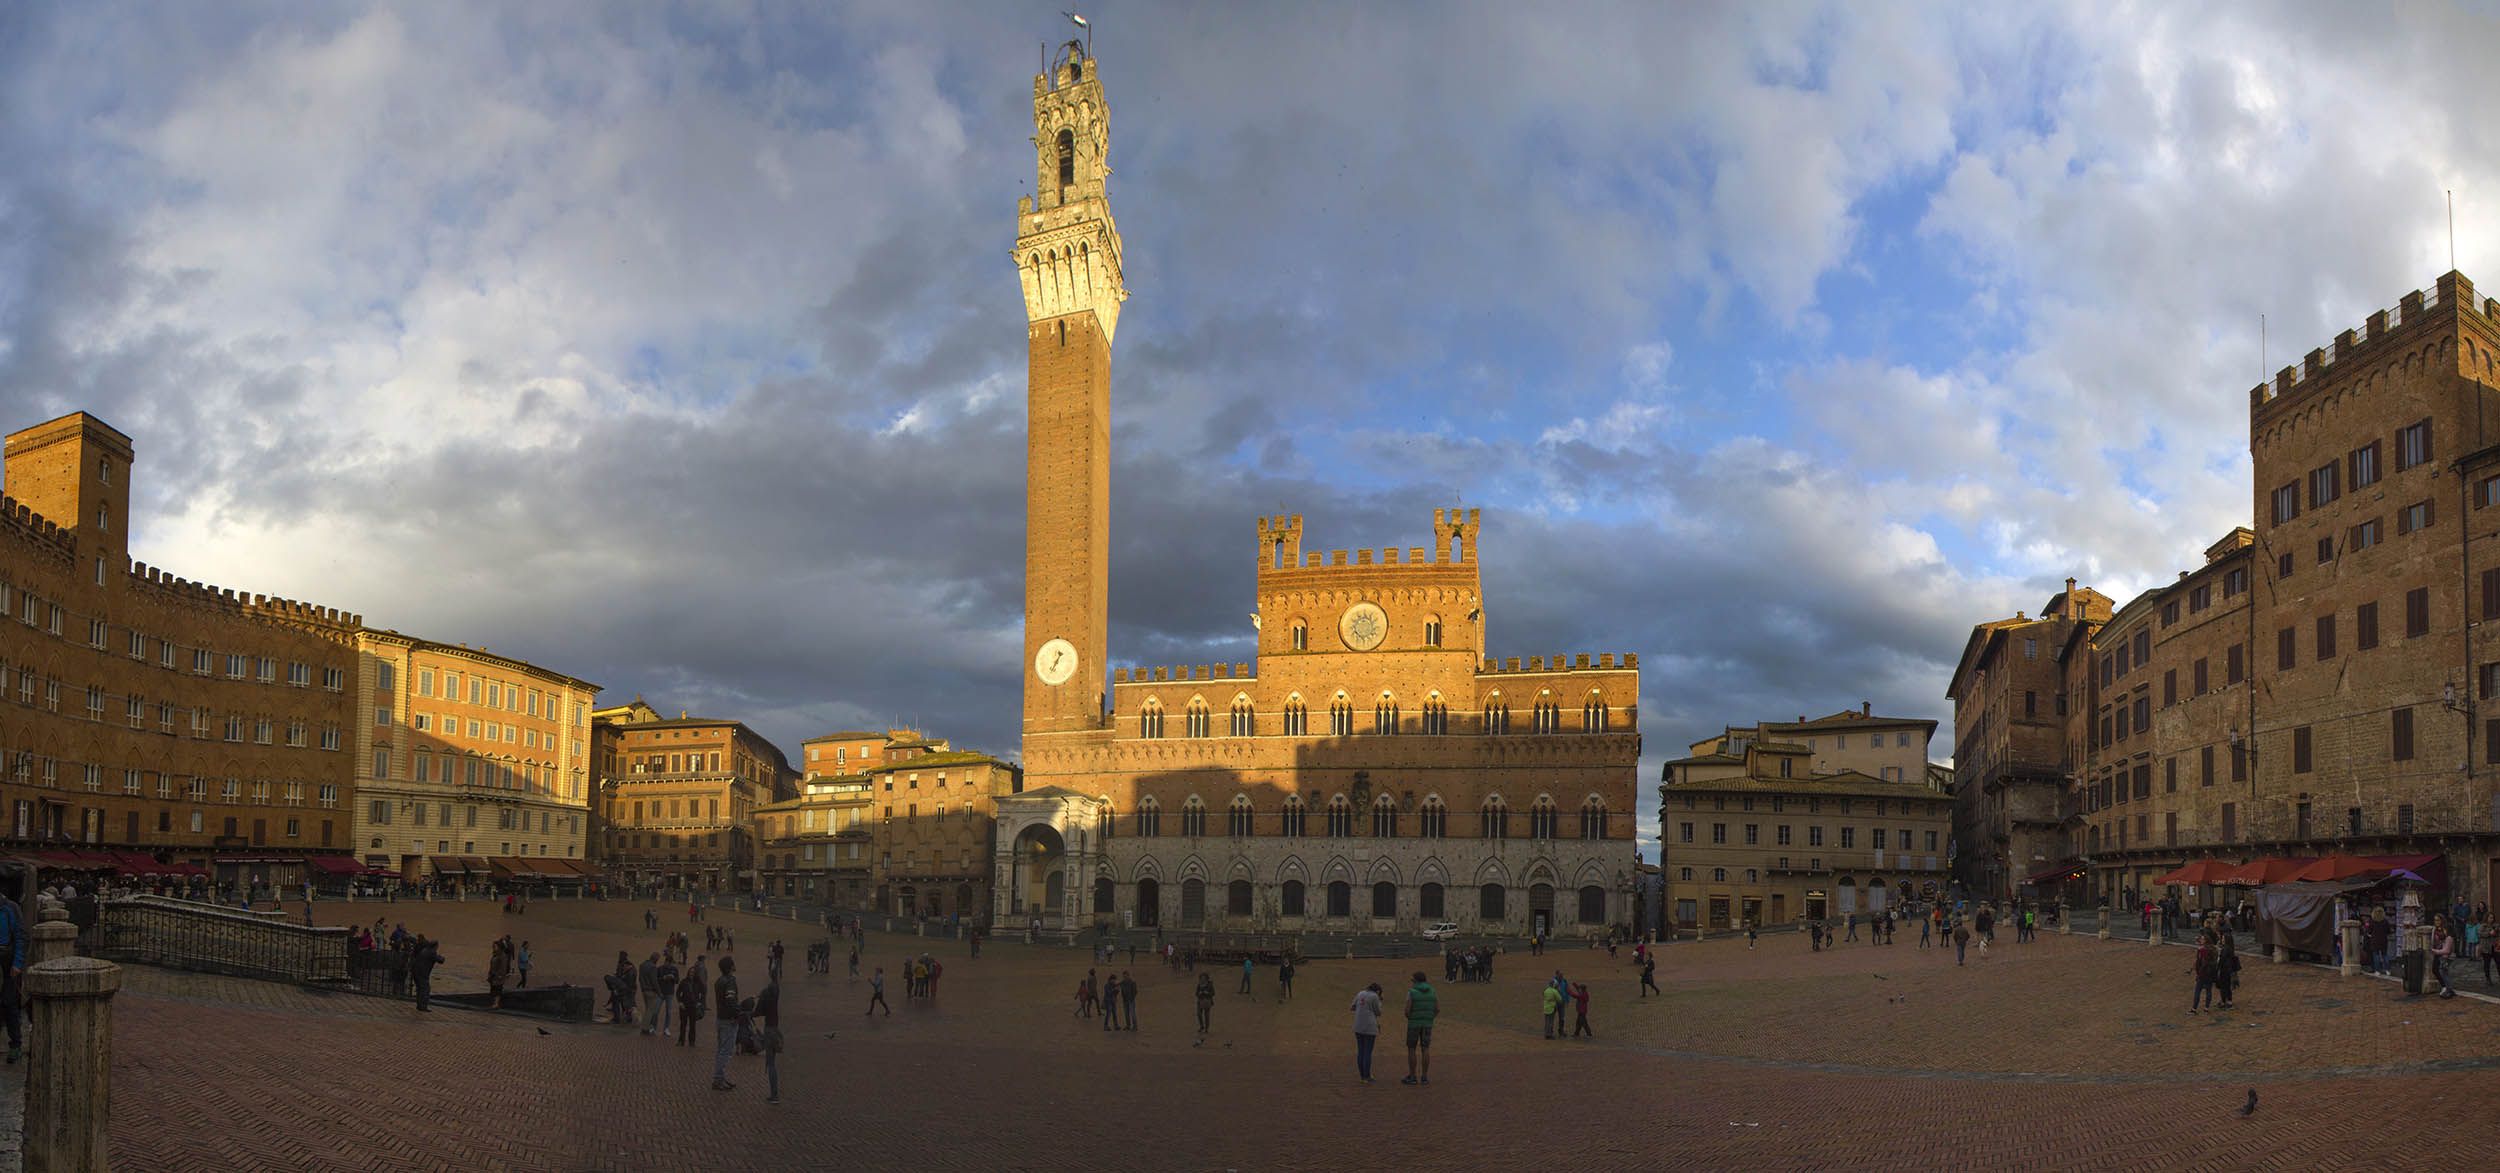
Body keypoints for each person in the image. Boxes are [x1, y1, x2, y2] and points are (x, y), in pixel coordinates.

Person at [1400, 971, 1438, 1086]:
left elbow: (1407, 1010)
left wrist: (1410, 1017)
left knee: (1411, 1048)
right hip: (1427, 1024)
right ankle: (1424, 1077)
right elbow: (1437, 1009)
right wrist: (1430, 1018)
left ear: (1415, 981)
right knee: (1425, 1048)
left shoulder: (1412, 992)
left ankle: (1412, 1076)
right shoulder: (1433, 991)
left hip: (1414, 1024)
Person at [712, 956, 743, 1090]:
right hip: (728, 1020)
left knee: (721, 1050)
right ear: (730, 967)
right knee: (726, 1051)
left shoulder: (719, 981)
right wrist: (738, 1013)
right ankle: (718, 1079)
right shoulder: (730, 981)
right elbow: (730, 1001)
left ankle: (721, 1077)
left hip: (720, 1018)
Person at [754, 973, 782, 1105]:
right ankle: (774, 1093)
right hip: (775, 1029)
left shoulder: (766, 992)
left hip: (769, 1030)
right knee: (773, 1063)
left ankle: (774, 1094)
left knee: (770, 1064)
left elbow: (759, 1011)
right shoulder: (776, 991)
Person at [1350, 982, 1384, 1084]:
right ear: (1378, 991)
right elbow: (1378, 1012)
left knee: (1361, 1051)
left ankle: (1362, 1076)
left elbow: (1352, 1007)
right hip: (1370, 1026)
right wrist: (1379, 1002)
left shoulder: (1360, 993)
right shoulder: (1374, 996)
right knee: (1368, 1052)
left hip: (1358, 1025)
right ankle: (1367, 1076)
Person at [677, 957, 708, 1047]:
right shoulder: (684, 982)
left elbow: (703, 992)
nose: (691, 974)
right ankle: (681, 1040)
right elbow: (678, 992)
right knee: (683, 1024)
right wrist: (680, 1002)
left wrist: (700, 1002)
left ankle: (691, 1041)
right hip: (684, 1005)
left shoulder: (698, 983)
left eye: (693, 973)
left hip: (694, 1006)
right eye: (690, 972)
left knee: (692, 1025)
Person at [409, 935, 443, 1014]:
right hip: (422, 973)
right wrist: (441, 957)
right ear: (435, 946)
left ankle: (419, 1005)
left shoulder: (425, 950)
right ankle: (423, 1006)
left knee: (420, 989)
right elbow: (440, 960)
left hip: (416, 971)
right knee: (425, 989)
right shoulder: (432, 952)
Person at [2189, 930, 2216, 1013]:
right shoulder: (2213, 949)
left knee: (2198, 990)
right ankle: (2206, 1008)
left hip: (2203, 973)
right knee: (2208, 990)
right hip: (2210, 973)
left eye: (2202, 939)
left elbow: (2202, 962)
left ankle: (2194, 1008)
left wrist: (2199, 973)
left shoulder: (2202, 950)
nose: (2201, 940)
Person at [2431, 919, 2457, 999]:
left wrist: (2434, 951)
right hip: (2445, 957)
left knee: (2444, 974)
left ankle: (2449, 990)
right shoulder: (2447, 938)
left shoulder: (2449, 938)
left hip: (2446, 958)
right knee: (2443, 973)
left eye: (2445, 930)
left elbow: (2446, 950)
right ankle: (2449, 989)